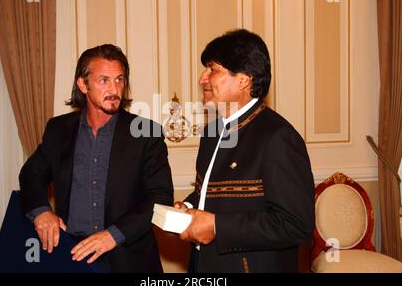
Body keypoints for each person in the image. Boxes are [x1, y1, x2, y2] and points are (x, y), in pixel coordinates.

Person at [19, 44, 174, 272]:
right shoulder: (58, 129)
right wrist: (42, 212)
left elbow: (160, 197)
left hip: (129, 260)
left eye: (120, 80)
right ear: (83, 84)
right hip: (70, 257)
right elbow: (31, 174)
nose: (115, 89)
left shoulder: (147, 133)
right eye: (104, 80)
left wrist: (113, 235)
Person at [174, 29, 315, 272]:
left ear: (243, 80)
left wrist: (218, 226)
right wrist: (188, 208)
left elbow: (296, 224)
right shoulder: (211, 134)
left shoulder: (277, 137)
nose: (202, 79)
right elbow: (208, 195)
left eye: (212, 69)